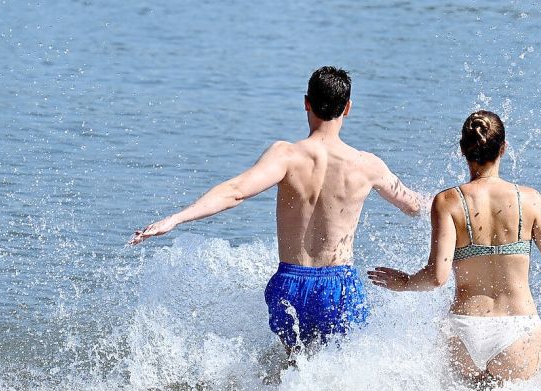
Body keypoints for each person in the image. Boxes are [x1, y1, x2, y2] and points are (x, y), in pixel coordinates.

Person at [130, 66, 425, 357]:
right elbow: (413, 206)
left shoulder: (286, 156)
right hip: (339, 287)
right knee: (339, 372)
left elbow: (236, 191)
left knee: (294, 372)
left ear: (306, 102)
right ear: (347, 108)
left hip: (290, 286)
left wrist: (177, 218)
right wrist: (459, 195)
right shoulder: (367, 165)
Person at [368, 110, 541, 389]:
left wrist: (405, 283)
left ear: (462, 149)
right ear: (504, 148)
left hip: (464, 329)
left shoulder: (447, 202)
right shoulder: (530, 201)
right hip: (518, 330)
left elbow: (437, 277)